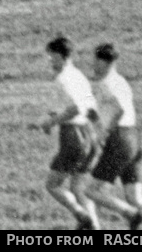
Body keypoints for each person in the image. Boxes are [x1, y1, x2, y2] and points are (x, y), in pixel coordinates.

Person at [86, 43, 142, 230]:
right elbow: (109, 110)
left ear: (104, 62)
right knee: (136, 196)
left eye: (95, 61)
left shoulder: (106, 83)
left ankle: (129, 214)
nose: (93, 65)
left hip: (119, 137)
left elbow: (119, 110)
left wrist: (105, 131)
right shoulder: (120, 81)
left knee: (91, 190)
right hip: (133, 137)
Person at [34, 36, 100, 230]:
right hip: (89, 134)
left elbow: (74, 109)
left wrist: (52, 122)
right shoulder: (79, 76)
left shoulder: (63, 78)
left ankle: (81, 215)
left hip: (73, 135)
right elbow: (91, 108)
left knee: (52, 185)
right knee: (78, 189)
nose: (49, 60)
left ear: (60, 56)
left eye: (51, 56)